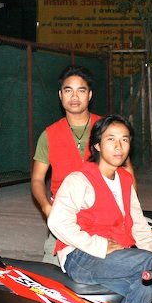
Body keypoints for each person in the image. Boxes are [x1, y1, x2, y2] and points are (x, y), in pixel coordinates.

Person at [47, 115, 152, 303]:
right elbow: (57, 222)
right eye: (111, 139)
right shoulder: (80, 179)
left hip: (117, 258)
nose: (118, 146)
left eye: (124, 140)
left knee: (147, 284)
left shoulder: (124, 180)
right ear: (97, 146)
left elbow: (139, 226)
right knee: (148, 264)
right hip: (80, 256)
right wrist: (99, 245)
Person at [31, 65, 133, 264]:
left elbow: (126, 171)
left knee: (114, 268)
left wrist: (127, 208)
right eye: (68, 90)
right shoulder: (49, 134)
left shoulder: (108, 129)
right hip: (64, 213)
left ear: (90, 95)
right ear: (60, 95)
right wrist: (46, 207)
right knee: (51, 276)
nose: (74, 96)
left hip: (102, 214)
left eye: (81, 90)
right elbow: (37, 178)